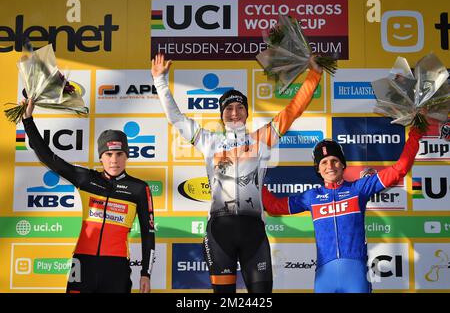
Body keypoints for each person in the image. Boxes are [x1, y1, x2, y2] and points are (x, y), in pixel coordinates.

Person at [151, 53, 323, 293]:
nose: (234, 113)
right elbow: (175, 118)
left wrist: (314, 75)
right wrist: (160, 81)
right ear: (221, 115)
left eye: (239, 107)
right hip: (220, 232)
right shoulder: (208, 142)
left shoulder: (261, 139)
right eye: (228, 108)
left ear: (246, 113)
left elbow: (293, 110)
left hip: (254, 231)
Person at [262, 127, 424, 293]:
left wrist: (416, 132)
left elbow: (400, 169)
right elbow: (273, 206)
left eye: (335, 160)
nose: (330, 166)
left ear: (343, 164)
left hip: (356, 274)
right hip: (324, 276)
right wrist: (255, 177)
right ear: (318, 169)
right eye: (323, 162)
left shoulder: (358, 189)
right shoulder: (311, 197)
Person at [21, 99, 155, 293]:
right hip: (82, 263)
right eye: (108, 154)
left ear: (127, 156)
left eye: (119, 154)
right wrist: (27, 119)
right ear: (101, 157)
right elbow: (46, 156)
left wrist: (146, 273)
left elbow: (148, 233)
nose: (114, 160)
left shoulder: (138, 188)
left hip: (116, 267)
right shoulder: (85, 178)